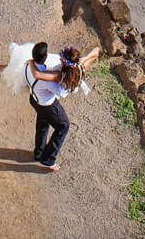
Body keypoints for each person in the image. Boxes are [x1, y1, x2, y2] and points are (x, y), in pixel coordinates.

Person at [24, 41, 100, 170]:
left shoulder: (56, 75)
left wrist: (31, 62)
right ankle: (47, 158)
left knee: (44, 122)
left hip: (37, 101)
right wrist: (93, 53)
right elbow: (94, 53)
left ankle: (39, 154)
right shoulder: (79, 69)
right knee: (63, 125)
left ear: (63, 60)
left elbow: (37, 75)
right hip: (46, 104)